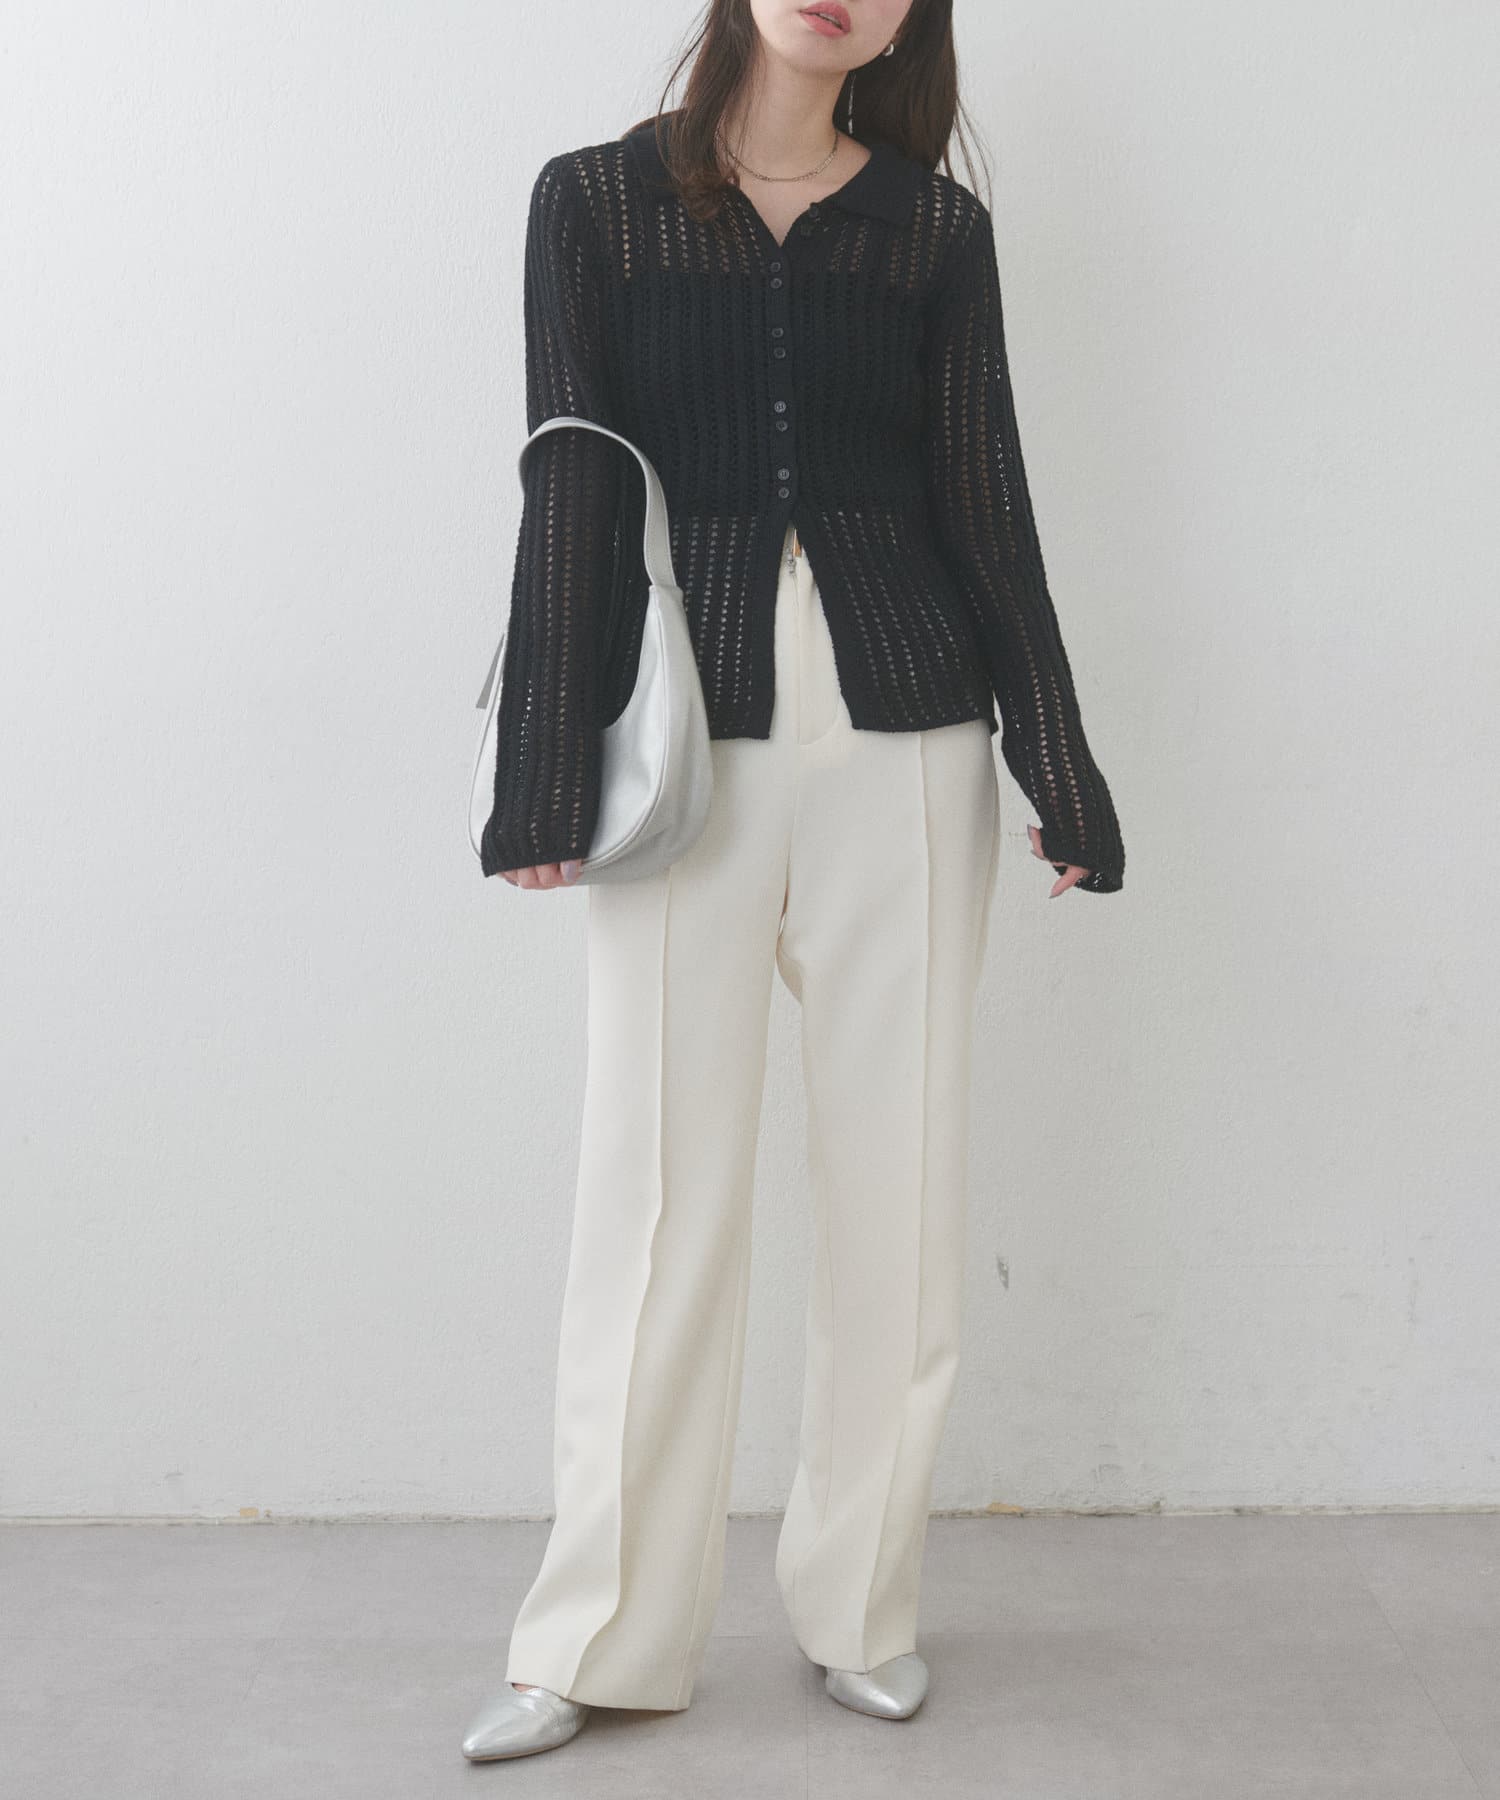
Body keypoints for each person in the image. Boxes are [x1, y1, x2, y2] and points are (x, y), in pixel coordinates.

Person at [464, 0, 1125, 1763]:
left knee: (898, 1189)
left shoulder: (930, 230)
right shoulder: (595, 202)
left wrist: (1057, 759)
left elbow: (987, 498)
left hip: (906, 734)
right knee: (653, 1195)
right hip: (683, 740)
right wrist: (545, 764)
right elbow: (568, 481)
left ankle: (864, 1606)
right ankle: (595, 1635)